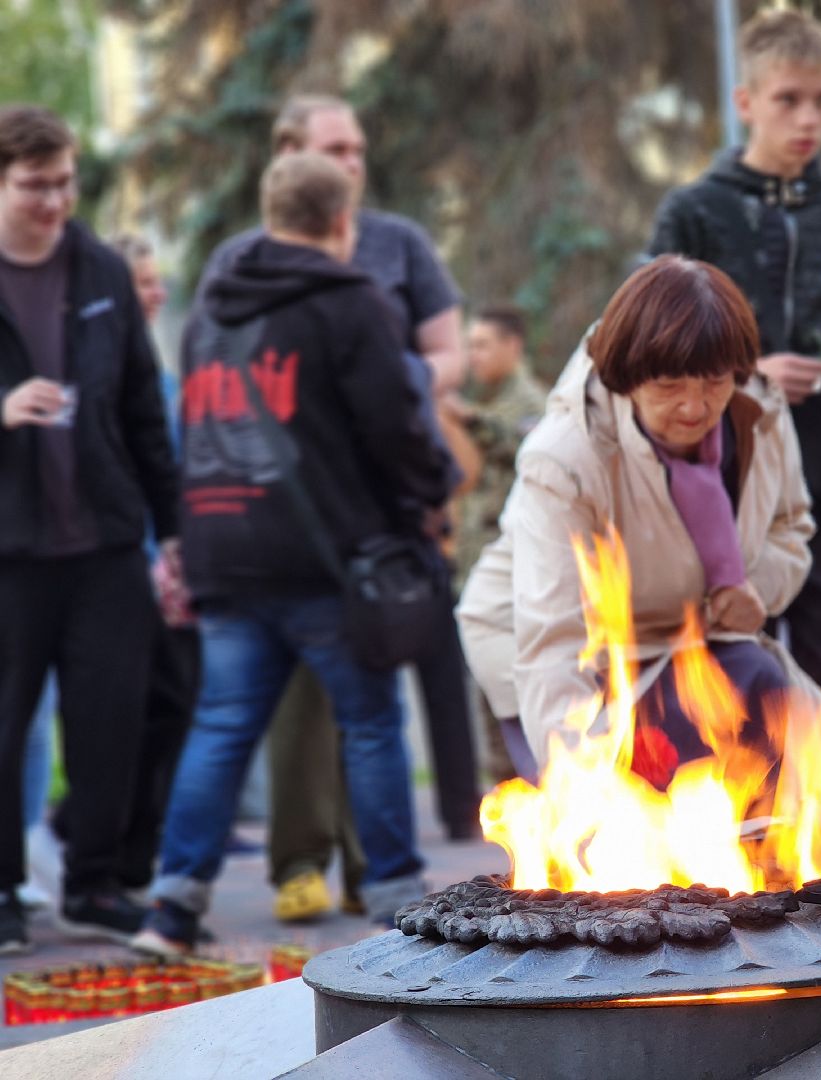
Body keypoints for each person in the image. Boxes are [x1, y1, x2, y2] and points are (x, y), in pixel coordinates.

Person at [132, 152, 453, 956]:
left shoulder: (210, 315)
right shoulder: (352, 304)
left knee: (221, 724)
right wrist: (431, 490)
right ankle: (395, 908)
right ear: (343, 223)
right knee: (372, 723)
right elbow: (396, 424)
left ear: (271, 218)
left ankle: (171, 909)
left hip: (222, 546)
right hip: (325, 559)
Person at [457, 255, 821, 850]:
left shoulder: (761, 413)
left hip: (692, 640)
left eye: (715, 383)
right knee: (627, 844)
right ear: (626, 377)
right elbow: (553, 644)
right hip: (560, 650)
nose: (696, 408)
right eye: (669, 386)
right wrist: (591, 790)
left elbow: (790, 526)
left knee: (785, 765)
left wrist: (759, 591)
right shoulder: (565, 458)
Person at [201, 94, 478, 922]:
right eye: (335, 148)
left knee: (373, 689)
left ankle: (375, 868)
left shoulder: (399, 243)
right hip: (283, 507)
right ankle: (298, 860)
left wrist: (389, 382)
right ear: (289, 156)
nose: (353, 162)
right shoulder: (242, 255)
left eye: (358, 146)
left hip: (380, 504)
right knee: (301, 703)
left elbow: (448, 353)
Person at [648, 10, 821, 766]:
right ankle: (734, 843)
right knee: (731, 664)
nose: (810, 118)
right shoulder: (694, 209)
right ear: (746, 102)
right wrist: (753, 372)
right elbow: (655, 340)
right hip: (722, 470)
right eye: (789, 99)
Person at [0, 105, 179, 953]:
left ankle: (95, 883)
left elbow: (145, 408)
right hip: (11, 552)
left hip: (106, 540)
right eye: (36, 185)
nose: (55, 201)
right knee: (5, 723)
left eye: (66, 181)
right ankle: (3, 892)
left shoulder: (102, 269)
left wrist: (172, 530)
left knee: (112, 715)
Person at [446, 305, 547, 586]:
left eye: (482, 346)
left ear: (512, 345)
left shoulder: (532, 404)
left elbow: (520, 446)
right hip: (477, 553)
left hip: (510, 560)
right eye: (469, 347)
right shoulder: (492, 399)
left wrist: (469, 418)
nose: (472, 356)